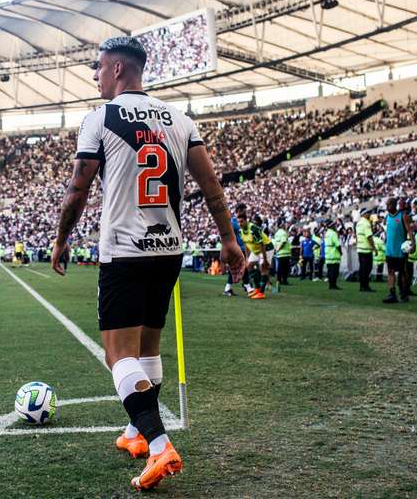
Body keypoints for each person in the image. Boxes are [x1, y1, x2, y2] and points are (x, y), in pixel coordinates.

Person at [50, 36, 245, 491]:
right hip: (168, 251)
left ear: (118, 69)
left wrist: (61, 239)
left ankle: (159, 446)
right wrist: (228, 239)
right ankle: (137, 433)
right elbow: (212, 186)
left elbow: (78, 189)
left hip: (124, 249)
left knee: (118, 354)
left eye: (98, 68)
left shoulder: (100, 117)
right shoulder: (181, 119)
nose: (96, 76)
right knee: (148, 350)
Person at [383, 197, 414, 303]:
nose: (387, 207)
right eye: (386, 205)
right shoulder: (387, 217)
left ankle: (404, 293)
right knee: (390, 272)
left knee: (403, 272)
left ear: (394, 205)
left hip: (400, 251)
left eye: (389, 205)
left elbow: (410, 231)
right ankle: (392, 294)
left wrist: (413, 244)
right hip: (390, 250)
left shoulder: (402, 216)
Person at [243, 214, 273, 299]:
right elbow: (246, 244)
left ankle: (261, 292)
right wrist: (247, 258)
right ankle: (257, 288)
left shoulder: (253, 229)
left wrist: (265, 259)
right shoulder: (242, 230)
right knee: (249, 265)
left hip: (266, 247)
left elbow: (262, 244)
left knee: (263, 267)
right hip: (256, 249)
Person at [223, 203, 248, 296]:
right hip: (237, 249)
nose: (246, 212)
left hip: (242, 248)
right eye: (244, 210)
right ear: (239, 211)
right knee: (241, 267)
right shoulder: (233, 222)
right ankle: (247, 286)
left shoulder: (241, 221)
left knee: (240, 268)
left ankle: (229, 288)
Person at [355, 208, 376, 292]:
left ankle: (362, 286)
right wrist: (374, 248)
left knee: (362, 269)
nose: (369, 214)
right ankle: (365, 286)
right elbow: (369, 237)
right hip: (366, 249)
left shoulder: (358, 223)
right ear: (364, 214)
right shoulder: (366, 223)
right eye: (368, 213)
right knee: (367, 268)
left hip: (360, 249)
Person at [324, 220, 342, 290]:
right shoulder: (333, 233)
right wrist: (340, 252)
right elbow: (337, 244)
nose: (335, 226)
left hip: (328, 255)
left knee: (330, 271)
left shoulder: (327, 233)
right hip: (334, 254)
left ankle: (331, 285)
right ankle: (333, 285)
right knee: (335, 272)